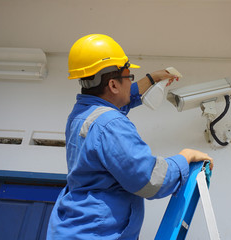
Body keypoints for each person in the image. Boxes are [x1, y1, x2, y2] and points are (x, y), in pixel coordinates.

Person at [47, 34, 213, 240]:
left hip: (74, 228)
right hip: (96, 233)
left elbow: (115, 102)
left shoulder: (82, 114)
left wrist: (151, 79)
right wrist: (184, 157)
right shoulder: (110, 124)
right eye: (129, 77)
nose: (130, 82)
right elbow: (150, 180)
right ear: (114, 86)